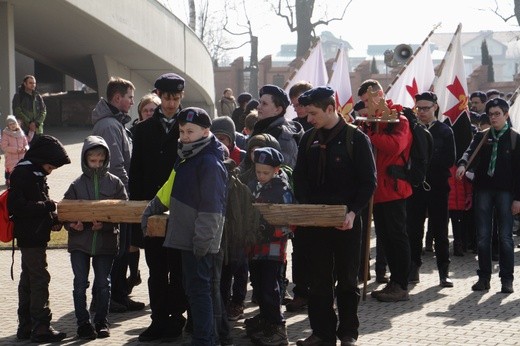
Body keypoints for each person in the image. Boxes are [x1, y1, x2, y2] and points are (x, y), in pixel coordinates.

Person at [292, 86, 376, 346]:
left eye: (314, 113)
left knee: (348, 281)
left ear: (331, 109)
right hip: (315, 223)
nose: (309, 119)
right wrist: (304, 209)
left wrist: (353, 212)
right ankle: (322, 333)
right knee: (318, 281)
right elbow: (300, 178)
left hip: (347, 222)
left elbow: (368, 182)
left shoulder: (356, 139)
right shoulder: (308, 139)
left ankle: (348, 333)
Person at [141, 107, 228, 345]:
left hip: (198, 241)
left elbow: (212, 207)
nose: (185, 135)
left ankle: (205, 340)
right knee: (195, 291)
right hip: (187, 238)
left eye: (190, 131)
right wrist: (154, 207)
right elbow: (170, 186)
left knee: (200, 293)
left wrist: (202, 241)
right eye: (182, 131)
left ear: (206, 131)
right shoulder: (186, 156)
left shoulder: (209, 161)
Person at [129, 73, 188, 342]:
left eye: (176, 98)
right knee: (156, 268)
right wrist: (139, 212)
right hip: (152, 208)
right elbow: (136, 173)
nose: (171, 104)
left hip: (181, 207)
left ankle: (176, 318)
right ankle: (158, 319)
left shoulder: (190, 126)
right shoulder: (142, 130)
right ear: (158, 95)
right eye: (166, 98)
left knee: (178, 267)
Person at [7, 135, 71, 342]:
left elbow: (35, 202)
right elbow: (18, 207)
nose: (50, 172)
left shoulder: (33, 172)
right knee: (39, 280)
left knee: (28, 280)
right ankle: (41, 327)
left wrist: (52, 219)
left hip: (34, 235)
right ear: (41, 159)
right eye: (50, 167)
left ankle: (25, 326)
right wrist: (49, 206)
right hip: (30, 237)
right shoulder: (24, 174)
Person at [64, 135, 127, 339]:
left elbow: (123, 211)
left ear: (106, 160)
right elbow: (65, 211)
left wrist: (107, 224)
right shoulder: (76, 185)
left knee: (103, 283)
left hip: (105, 243)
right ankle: (83, 323)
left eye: (101, 161)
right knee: (80, 283)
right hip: (80, 242)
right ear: (85, 160)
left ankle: (101, 321)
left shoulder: (115, 183)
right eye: (93, 161)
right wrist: (72, 224)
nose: (97, 165)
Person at [456, 98, 520, 294]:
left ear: (506, 115)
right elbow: (469, 152)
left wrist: (518, 198)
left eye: (497, 114)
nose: (493, 118)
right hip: (483, 190)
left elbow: (519, 172)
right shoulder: (482, 136)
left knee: (506, 237)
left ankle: (506, 280)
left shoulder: (514, 138)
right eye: (490, 114)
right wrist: (462, 164)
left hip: (506, 193)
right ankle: (483, 278)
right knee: (483, 237)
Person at [91, 76, 144, 312]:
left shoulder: (114, 123)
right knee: (116, 250)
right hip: (116, 197)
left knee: (120, 249)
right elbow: (116, 165)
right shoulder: (110, 125)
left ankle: (117, 295)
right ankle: (111, 298)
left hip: (115, 195)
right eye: (130, 97)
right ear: (117, 98)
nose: (132, 102)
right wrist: (126, 196)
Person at [358, 79, 413, 303]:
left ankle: (401, 284)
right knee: (385, 238)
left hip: (393, 188)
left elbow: (395, 146)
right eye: (363, 102)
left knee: (397, 237)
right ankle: (393, 281)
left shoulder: (399, 119)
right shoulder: (370, 122)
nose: (367, 105)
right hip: (377, 189)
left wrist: (370, 135)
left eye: (369, 99)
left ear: (379, 94)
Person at [245, 147, 295, 346]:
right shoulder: (254, 185)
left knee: (270, 287)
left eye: (266, 172)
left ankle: (277, 326)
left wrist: (270, 230)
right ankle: (265, 320)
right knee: (258, 285)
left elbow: (288, 222)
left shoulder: (282, 190)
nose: (261, 176)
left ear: (276, 169)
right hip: (255, 247)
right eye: (258, 171)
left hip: (273, 248)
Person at [406, 92, 456, 288]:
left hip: (437, 186)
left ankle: (444, 271)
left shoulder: (445, 131)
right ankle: (413, 268)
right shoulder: (413, 130)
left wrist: (425, 161)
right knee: (414, 229)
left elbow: (449, 159)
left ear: (435, 107)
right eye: (419, 108)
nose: (422, 112)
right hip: (417, 186)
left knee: (440, 230)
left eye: (426, 108)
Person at [251, 84, 304, 169]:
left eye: (264, 104)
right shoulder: (260, 128)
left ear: (278, 110)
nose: (258, 107)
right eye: (259, 102)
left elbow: (282, 172)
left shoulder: (284, 136)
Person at [11, 75, 46, 142]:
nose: (33, 85)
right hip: (24, 130)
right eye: (30, 83)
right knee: (26, 151)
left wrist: (36, 123)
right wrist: (29, 123)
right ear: (25, 83)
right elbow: (17, 112)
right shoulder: (18, 96)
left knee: (38, 150)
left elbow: (43, 111)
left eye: (34, 83)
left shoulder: (38, 96)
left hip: (37, 130)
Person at [1, 115, 29, 187]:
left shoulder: (21, 133)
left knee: (22, 172)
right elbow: (4, 147)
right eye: (10, 124)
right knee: (12, 174)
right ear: (8, 126)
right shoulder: (6, 134)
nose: (12, 125)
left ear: (16, 123)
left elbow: (26, 143)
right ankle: (10, 184)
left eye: (14, 123)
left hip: (22, 157)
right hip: (11, 158)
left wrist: (25, 148)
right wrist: (16, 150)